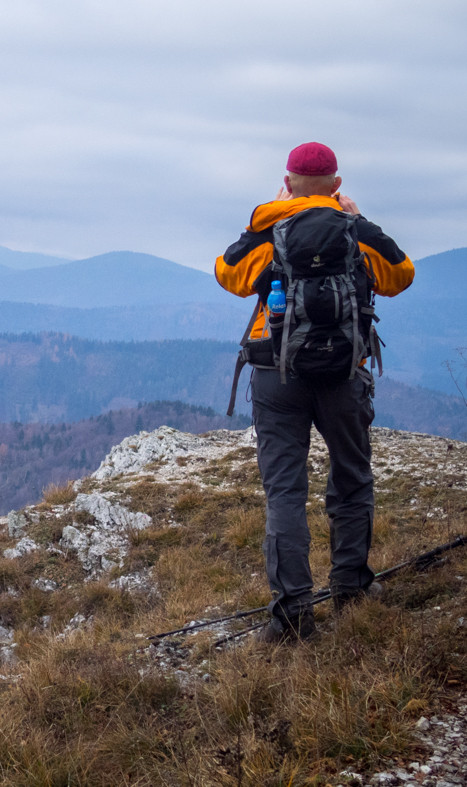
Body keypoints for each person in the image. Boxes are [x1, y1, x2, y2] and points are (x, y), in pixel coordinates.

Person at [215, 141, 414, 643]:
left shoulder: (270, 229)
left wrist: (267, 217)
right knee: (351, 478)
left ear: (286, 181)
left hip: (277, 375)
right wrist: (361, 219)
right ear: (337, 186)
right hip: (345, 374)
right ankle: (351, 587)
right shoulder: (356, 232)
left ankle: (293, 615)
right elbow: (401, 275)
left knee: (285, 490)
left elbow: (228, 274)